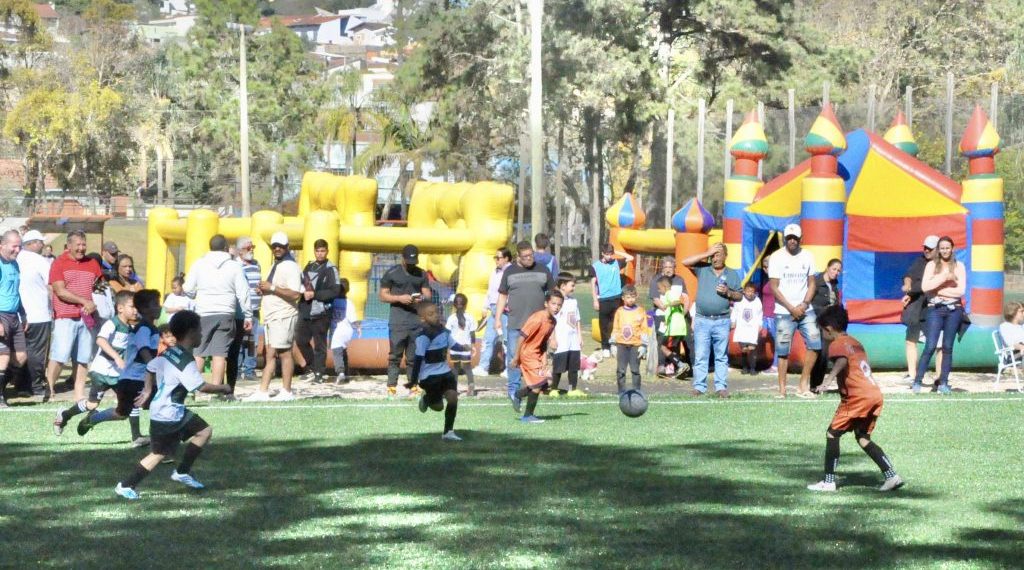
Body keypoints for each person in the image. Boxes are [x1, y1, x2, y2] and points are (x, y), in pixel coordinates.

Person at [113, 310, 234, 500]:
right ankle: (126, 485)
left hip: (171, 409)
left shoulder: (170, 351)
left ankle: (182, 472)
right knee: (159, 454)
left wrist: (147, 389)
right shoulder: (186, 361)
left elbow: (150, 367)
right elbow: (200, 386)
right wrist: (223, 388)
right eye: (200, 330)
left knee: (204, 431)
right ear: (191, 332)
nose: (202, 334)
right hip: (167, 414)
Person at [807, 305, 904, 493]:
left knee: (832, 434)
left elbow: (842, 361)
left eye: (821, 331)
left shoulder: (837, 344)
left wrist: (827, 381)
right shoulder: (855, 342)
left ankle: (828, 482)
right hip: (873, 394)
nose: (822, 335)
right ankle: (892, 476)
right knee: (863, 438)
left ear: (828, 329)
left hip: (857, 397)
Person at [78, 290, 161, 446]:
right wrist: (155, 365)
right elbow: (143, 351)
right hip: (132, 379)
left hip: (142, 377)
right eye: (155, 304)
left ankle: (152, 440)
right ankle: (94, 419)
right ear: (144, 308)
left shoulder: (150, 327)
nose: (159, 307)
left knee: (156, 405)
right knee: (123, 413)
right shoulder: (143, 328)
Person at [57, 290, 135, 435]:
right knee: (92, 404)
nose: (135, 310)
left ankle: (134, 436)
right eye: (132, 306)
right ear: (120, 308)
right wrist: (117, 358)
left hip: (118, 374)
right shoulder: (113, 324)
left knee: (127, 407)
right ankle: (65, 415)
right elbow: (100, 340)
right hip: (101, 372)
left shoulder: (130, 328)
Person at [182, 234, 252, 387]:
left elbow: (187, 288)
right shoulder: (234, 266)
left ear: (210, 247)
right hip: (226, 312)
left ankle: (191, 389)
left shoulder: (199, 264)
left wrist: (194, 295)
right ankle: (216, 390)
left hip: (203, 313)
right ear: (226, 248)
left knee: (198, 353)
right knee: (219, 354)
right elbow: (243, 292)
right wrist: (248, 315)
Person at [47, 229, 103, 405]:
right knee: (60, 355)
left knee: (83, 357)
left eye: (83, 244)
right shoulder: (59, 263)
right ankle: (49, 390)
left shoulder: (93, 263)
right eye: (77, 245)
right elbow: (60, 290)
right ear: (68, 245)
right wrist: (83, 301)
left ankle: (78, 393)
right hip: (65, 316)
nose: (81, 248)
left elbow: (100, 288)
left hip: (86, 318)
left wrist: (94, 303)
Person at [495, 241, 556, 402]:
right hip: (516, 322)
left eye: (531, 255)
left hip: (538, 326)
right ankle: (513, 390)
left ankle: (535, 386)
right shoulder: (509, 272)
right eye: (525, 256)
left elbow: (552, 295)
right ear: (518, 257)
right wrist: (497, 319)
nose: (529, 258)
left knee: (538, 356)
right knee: (514, 357)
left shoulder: (543, 270)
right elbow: (502, 296)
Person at [682, 242, 742, 398]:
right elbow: (685, 262)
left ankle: (721, 387)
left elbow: (740, 295)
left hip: (722, 320)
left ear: (725, 256)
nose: (715, 258)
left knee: (721, 356)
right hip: (702, 320)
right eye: (713, 255)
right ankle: (699, 387)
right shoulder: (702, 269)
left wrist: (728, 292)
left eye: (718, 254)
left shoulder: (732, 274)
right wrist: (706, 253)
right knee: (701, 354)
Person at [248, 232, 303, 401]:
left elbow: (295, 294)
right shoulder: (276, 264)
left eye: (280, 246)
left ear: (287, 247)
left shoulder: (291, 266)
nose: (277, 249)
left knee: (285, 353)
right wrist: (264, 289)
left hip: (283, 315)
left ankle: (286, 391)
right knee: (270, 354)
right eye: (274, 246)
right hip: (272, 316)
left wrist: (271, 288)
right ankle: (263, 390)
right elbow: (275, 287)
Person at [768, 224, 820, 399]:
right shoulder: (776, 257)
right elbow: (774, 287)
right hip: (784, 310)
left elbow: (812, 282)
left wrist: (804, 304)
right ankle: (782, 389)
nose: (792, 241)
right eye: (789, 237)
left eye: (795, 238)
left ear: (800, 239)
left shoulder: (808, 256)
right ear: (784, 238)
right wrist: (791, 308)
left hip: (806, 309)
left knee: (815, 343)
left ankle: (803, 384)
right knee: (783, 350)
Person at [912, 235, 966, 395]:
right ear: (938, 249)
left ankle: (943, 382)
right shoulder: (930, 265)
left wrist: (939, 290)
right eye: (942, 248)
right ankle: (917, 381)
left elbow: (960, 291)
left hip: (954, 310)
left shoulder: (959, 266)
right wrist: (944, 277)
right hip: (935, 309)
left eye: (947, 247)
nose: (945, 251)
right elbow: (925, 287)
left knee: (948, 347)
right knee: (930, 346)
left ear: (952, 249)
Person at [379, 244, 432, 397]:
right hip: (397, 321)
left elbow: (427, 295)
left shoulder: (421, 274)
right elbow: (383, 295)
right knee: (395, 356)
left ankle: (413, 386)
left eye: (414, 261)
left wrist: (420, 298)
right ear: (402, 258)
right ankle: (391, 387)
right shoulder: (392, 273)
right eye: (408, 261)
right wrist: (399, 299)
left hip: (416, 322)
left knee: (414, 357)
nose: (411, 264)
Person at [411, 302, 462, 441]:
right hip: (429, 377)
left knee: (452, 398)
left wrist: (465, 347)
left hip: (445, 373)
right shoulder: (423, 337)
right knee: (438, 407)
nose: (436, 316)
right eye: (431, 314)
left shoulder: (444, 332)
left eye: (437, 312)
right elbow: (418, 359)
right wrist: (413, 381)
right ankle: (427, 398)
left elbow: (454, 345)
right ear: (423, 319)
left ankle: (448, 432)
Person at [510, 291, 563, 424]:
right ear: (546, 304)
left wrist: (544, 357)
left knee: (547, 383)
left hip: (537, 354)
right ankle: (528, 416)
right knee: (537, 385)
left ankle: (518, 395)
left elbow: (543, 341)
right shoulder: (537, 318)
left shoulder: (553, 322)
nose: (556, 307)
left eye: (559, 305)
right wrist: (516, 356)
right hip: (527, 354)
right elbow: (522, 337)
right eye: (553, 304)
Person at [296, 239, 341, 383]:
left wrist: (315, 295)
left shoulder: (331, 268)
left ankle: (319, 374)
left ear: (327, 251)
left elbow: (335, 291)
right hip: (305, 310)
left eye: (322, 251)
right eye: (317, 251)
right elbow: (301, 282)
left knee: (319, 344)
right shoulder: (309, 266)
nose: (320, 254)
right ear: (314, 251)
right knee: (300, 339)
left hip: (321, 312)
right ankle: (312, 367)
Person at [16, 230, 51, 398]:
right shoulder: (40, 261)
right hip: (39, 313)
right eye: (40, 242)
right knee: (36, 353)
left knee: (20, 351)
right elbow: (50, 284)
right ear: (32, 243)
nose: (43, 245)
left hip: (18, 314)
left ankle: (20, 384)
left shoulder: (15, 258)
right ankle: (35, 386)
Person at [901, 235, 941, 382]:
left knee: (938, 344)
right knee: (911, 340)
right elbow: (908, 275)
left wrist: (911, 292)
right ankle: (912, 374)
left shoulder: (941, 264)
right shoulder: (920, 260)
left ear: (937, 249)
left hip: (933, 306)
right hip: (917, 307)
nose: (926, 250)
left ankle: (940, 376)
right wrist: (907, 285)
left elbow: (927, 286)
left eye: (930, 248)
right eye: (925, 247)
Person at [473, 248, 511, 377]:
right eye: (495, 258)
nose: (496, 260)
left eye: (499, 258)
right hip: (493, 309)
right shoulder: (494, 272)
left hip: (505, 310)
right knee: (488, 339)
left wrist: (505, 307)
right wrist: (485, 306)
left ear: (506, 258)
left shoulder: (510, 272)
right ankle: (483, 367)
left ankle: (509, 368)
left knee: (507, 340)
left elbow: (508, 292)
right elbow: (490, 291)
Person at [590, 243, 634, 357]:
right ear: (602, 253)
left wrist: (617, 253)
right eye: (607, 254)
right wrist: (595, 300)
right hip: (603, 298)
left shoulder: (617, 263)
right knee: (604, 324)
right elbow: (593, 283)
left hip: (616, 297)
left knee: (615, 323)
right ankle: (605, 347)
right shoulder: (595, 266)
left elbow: (630, 258)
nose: (609, 256)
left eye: (611, 254)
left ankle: (614, 344)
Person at [649, 257, 689, 375]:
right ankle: (661, 365)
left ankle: (675, 366)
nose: (668, 269)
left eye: (670, 267)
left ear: (674, 268)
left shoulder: (679, 280)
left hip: (676, 317)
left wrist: (684, 312)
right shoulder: (657, 279)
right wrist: (666, 309)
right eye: (666, 267)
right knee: (662, 341)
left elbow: (686, 298)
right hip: (662, 316)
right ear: (662, 268)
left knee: (674, 342)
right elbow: (655, 299)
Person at [0, 229, 27, 408]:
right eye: (14, 246)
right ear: (2, 246)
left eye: (20, 246)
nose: (18, 250)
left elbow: (15, 292)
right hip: (1, 315)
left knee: (21, 357)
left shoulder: (15, 264)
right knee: (3, 355)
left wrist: (23, 314)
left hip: (14, 315)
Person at [809, 258, 843, 389]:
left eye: (838, 270)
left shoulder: (834, 284)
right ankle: (814, 384)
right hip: (818, 322)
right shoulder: (817, 282)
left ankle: (819, 384)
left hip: (830, 325)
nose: (836, 272)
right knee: (820, 354)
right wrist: (825, 310)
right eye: (834, 269)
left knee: (826, 354)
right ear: (827, 268)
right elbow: (810, 302)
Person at [233, 236, 262, 382]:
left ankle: (250, 369)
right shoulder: (235, 266)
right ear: (239, 251)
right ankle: (236, 370)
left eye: (252, 247)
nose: (251, 251)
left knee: (251, 342)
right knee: (238, 341)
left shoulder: (256, 264)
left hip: (255, 309)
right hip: (241, 311)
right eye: (248, 248)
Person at [611, 285, 649, 394]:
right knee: (621, 370)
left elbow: (644, 328)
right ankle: (621, 392)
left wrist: (644, 345)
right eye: (628, 297)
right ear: (623, 298)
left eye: (633, 296)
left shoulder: (640, 311)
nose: (631, 299)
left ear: (636, 296)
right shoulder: (619, 311)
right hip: (621, 345)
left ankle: (637, 392)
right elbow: (616, 327)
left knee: (635, 370)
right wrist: (613, 344)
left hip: (636, 345)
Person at [550, 272, 584, 396]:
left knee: (573, 366)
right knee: (559, 365)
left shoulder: (573, 301)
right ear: (563, 286)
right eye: (572, 285)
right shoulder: (556, 302)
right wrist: (552, 338)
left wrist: (580, 336)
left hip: (573, 339)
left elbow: (577, 319)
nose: (574, 288)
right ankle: (553, 388)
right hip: (561, 339)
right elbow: (551, 321)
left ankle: (572, 389)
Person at [445, 293, 477, 397]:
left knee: (455, 368)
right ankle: (471, 387)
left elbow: (447, 333)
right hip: (466, 347)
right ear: (466, 305)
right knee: (468, 368)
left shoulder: (451, 318)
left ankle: (453, 389)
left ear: (454, 305)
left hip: (454, 347)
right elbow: (472, 333)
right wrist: (473, 346)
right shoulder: (470, 317)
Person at [731, 282, 763, 375]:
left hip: (752, 328)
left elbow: (760, 313)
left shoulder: (757, 301)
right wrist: (733, 321)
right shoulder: (739, 300)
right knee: (744, 349)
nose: (750, 293)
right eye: (748, 291)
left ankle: (753, 368)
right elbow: (735, 312)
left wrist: (760, 324)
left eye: (752, 291)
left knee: (752, 348)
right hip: (742, 328)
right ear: (744, 291)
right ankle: (745, 367)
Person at [329, 286, 359, 384]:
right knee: (343, 351)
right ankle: (346, 374)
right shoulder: (349, 303)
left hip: (337, 331)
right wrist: (358, 328)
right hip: (347, 331)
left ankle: (340, 372)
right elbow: (353, 318)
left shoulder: (332, 301)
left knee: (337, 351)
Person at [757, 256, 778, 374]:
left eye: (768, 266)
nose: (766, 269)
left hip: (774, 316)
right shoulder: (765, 280)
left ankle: (775, 366)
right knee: (760, 338)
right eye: (764, 267)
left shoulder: (777, 280)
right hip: (765, 315)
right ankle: (756, 363)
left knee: (777, 341)